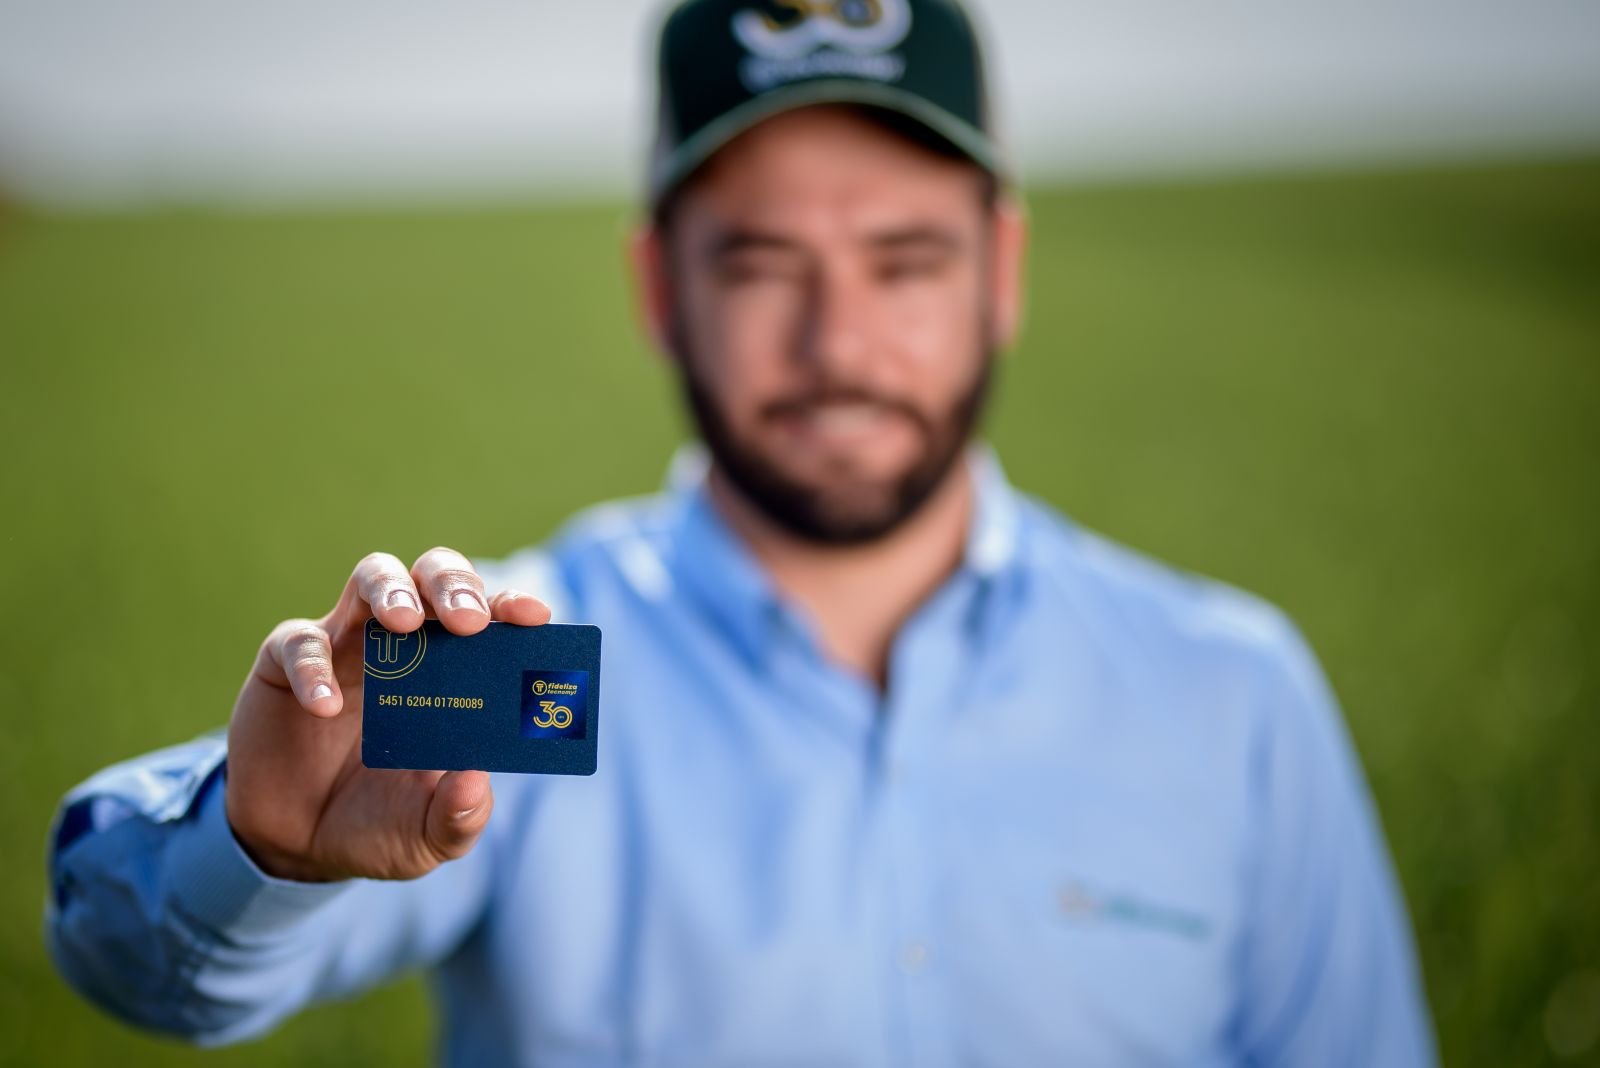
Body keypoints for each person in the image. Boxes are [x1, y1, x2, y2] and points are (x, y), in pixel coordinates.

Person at [44, 1, 1436, 1064]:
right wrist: (258, 848)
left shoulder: (1230, 694)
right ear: (660, 287)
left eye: (906, 262)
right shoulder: (513, 668)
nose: (839, 343)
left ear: (1001, 271)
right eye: (763, 265)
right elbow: (128, 952)